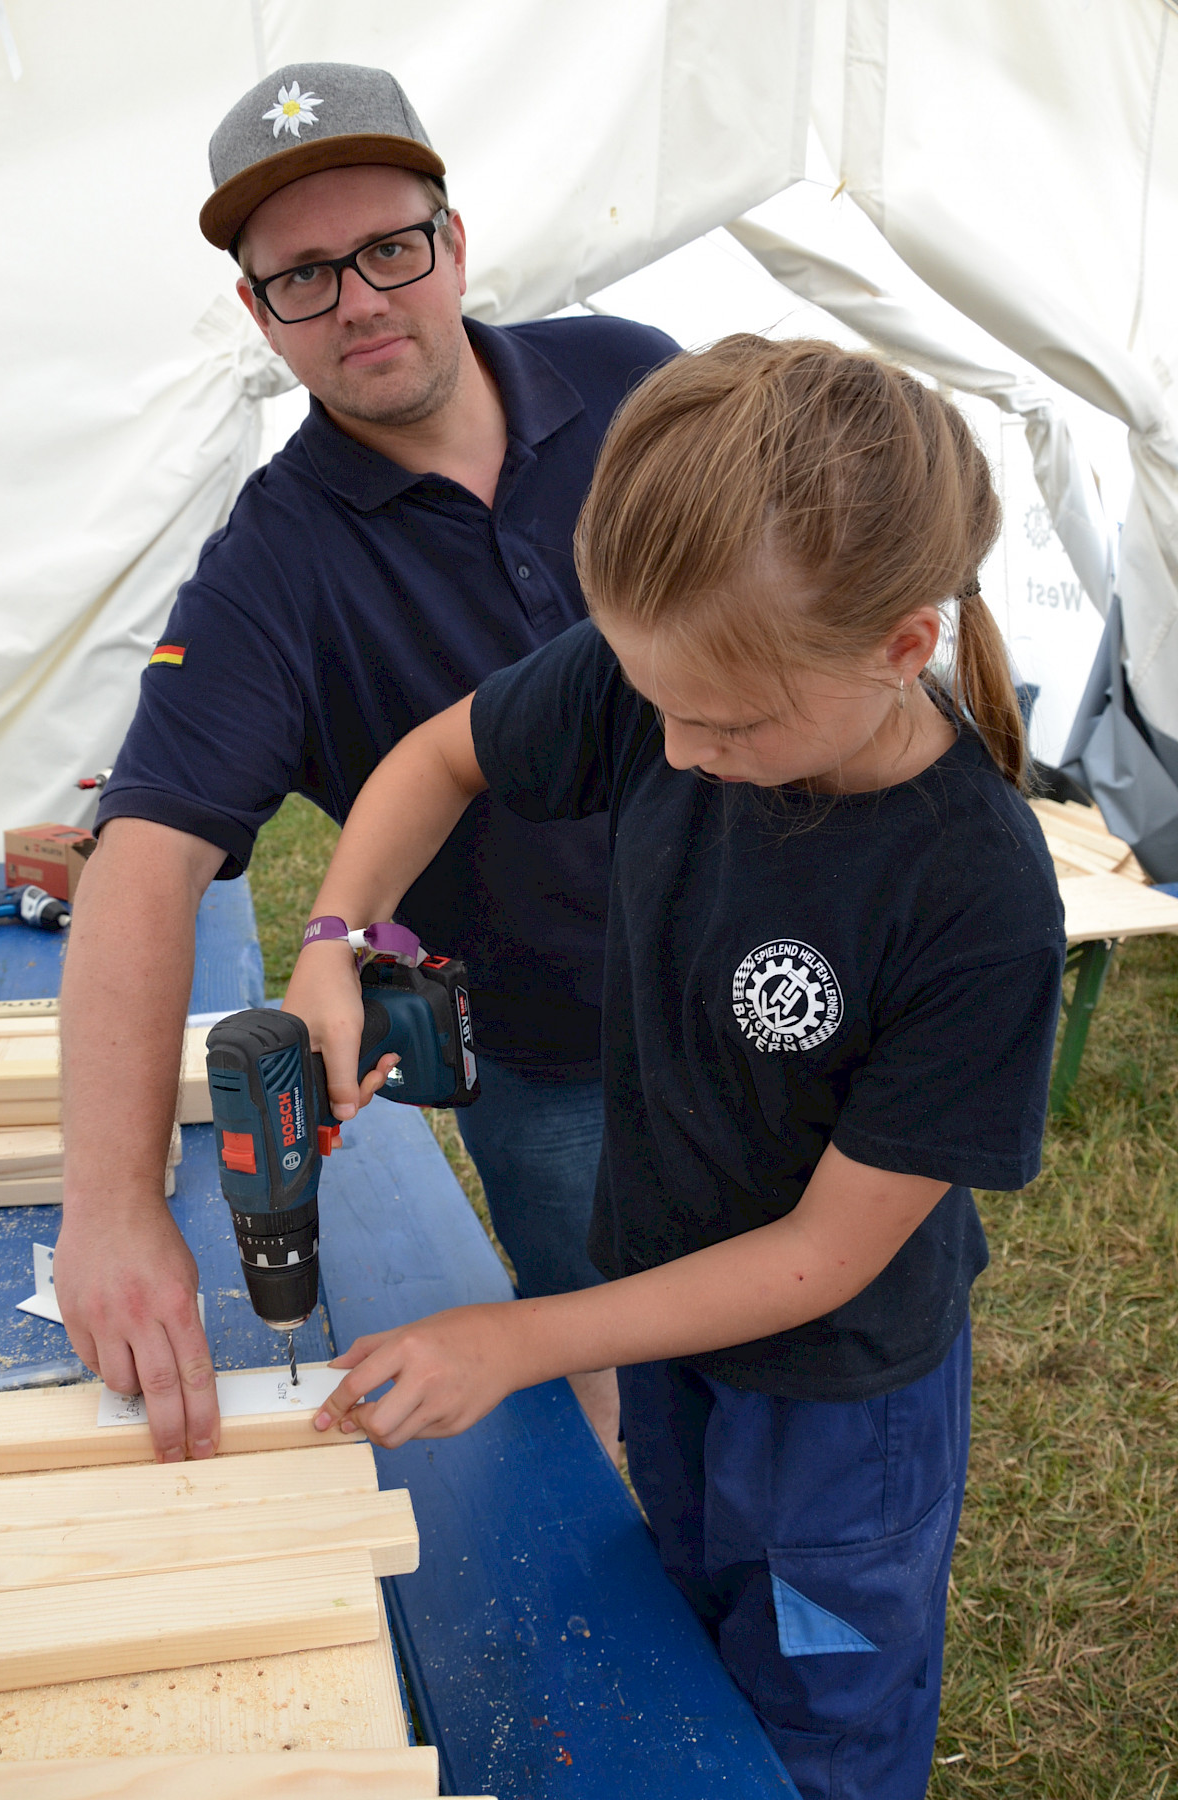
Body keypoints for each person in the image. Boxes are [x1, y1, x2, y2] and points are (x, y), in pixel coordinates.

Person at [281, 336, 1066, 1797]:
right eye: (658, 708)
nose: (684, 753)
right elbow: (438, 758)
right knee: (688, 1632)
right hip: (668, 1332)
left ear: (903, 646)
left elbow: (823, 1257)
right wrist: (334, 933)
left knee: (816, 1715)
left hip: (835, 1401)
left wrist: (524, 1338)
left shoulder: (977, 899)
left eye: (731, 723)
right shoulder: (680, 672)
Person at [54, 62, 676, 1464]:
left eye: (389, 249)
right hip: (553, 1066)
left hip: (771, 996)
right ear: (258, 315)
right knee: (614, 1382)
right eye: (304, 278)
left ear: (452, 243)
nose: (358, 301)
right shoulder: (269, 570)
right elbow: (143, 869)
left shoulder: (638, 379)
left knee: (831, 1336)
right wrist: (111, 1206)